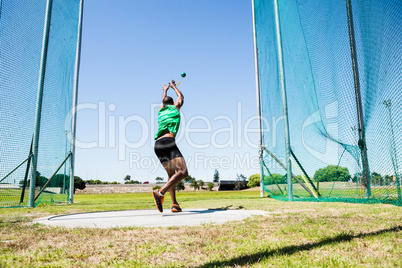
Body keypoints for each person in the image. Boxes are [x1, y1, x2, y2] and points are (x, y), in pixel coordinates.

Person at [152, 79, 188, 213]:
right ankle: (160, 193)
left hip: (158, 145)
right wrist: (173, 87)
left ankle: (175, 204)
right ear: (172, 103)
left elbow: (163, 101)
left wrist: (165, 91)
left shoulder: (161, 111)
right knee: (183, 172)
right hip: (168, 142)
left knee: (171, 175)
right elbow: (181, 97)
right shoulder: (174, 108)